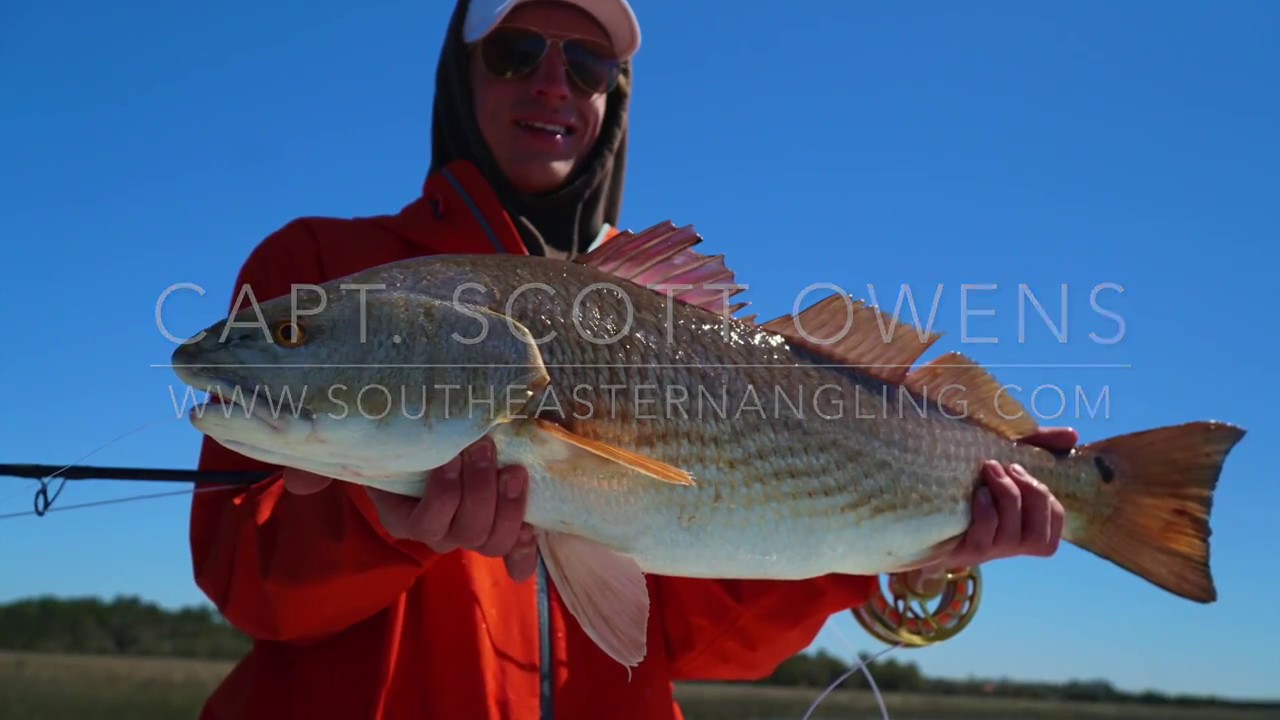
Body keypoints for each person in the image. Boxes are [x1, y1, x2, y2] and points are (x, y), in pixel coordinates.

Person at [189, 1, 1074, 718]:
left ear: (616, 97)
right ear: (460, 76)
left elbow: (699, 644)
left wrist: (896, 545)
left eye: (588, 66)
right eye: (516, 50)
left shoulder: (663, 320)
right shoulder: (316, 270)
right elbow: (251, 586)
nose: (552, 83)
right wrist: (382, 520)